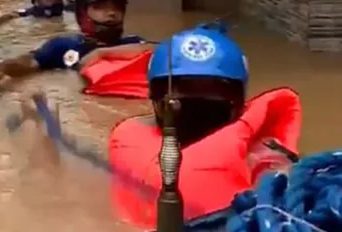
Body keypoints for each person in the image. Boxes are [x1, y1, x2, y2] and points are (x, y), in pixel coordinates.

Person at [106, 26, 302, 228]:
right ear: (155, 97)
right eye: (185, 89)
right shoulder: (130, 139)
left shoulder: (264, 160)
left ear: (237, 101)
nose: (199, 102)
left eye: (214, 90)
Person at [0, 0, 152, 87]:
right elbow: (29, 63)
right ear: (83, 14)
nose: (111, 13)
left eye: (117, 7)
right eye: (100, 7)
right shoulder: (65, 46)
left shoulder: (134, 44)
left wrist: (102, 53)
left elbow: (160, 51)